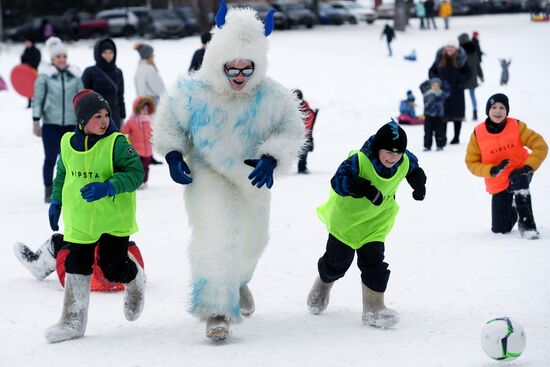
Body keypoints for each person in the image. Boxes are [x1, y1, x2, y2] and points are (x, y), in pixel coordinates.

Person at [153, 3, 304, 341]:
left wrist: (271, 157)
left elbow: (292, 130)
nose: (238, 76)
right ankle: (217, 311)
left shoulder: (273, 96)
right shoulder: (193, 93)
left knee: (254, 239)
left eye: (246, 69)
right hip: (208, 174)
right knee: (218, 237)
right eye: (231, 68)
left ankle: (237, 283)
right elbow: (169, 122)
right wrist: (175, 154)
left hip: (252, 177)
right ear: (217, 62)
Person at [44, 89, 145, 343]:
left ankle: (134, 277)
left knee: (112, 269)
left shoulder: (117, 143)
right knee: (76, 265)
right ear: (82, 120)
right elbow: (62, 173)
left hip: (113, 218)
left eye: (106, 115)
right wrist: (56, 200)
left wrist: (108, 186)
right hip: (80, 219)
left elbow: (135, 174)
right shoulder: (67, 142)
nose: (104, 121)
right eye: (96, 116)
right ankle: (72, 322)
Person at [307, 120, 427, 328]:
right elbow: (338, 181)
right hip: (347, 223)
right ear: (378, 148)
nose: (393, 157)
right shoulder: (359, 161)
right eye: (388, 152)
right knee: (337, 264)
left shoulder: (404, 159)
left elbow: (414, 169)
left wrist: (418, 183)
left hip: (376, 224)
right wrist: (363, 188)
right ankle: (323, 284)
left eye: (398, 153)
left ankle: (374, 308)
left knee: (374, 264)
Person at [465, 93, 547, 240]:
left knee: (518, 178)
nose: (498, 111)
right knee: (499, 229)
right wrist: (491, 170)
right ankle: (514, 208)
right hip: (499, 181)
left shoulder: (516, 126)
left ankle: (528, 226)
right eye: (494, 107)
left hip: (520, 173)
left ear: (507, 111)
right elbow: (471, 163)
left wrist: (528, 167)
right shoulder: (478, 134)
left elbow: (541, 146)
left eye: (502, 107)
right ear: (488, 110)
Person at [32, 37, 83, 203]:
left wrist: (84, 120)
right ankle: (48, 189)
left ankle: (65, 188)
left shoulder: (74, 76)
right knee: (50, 158)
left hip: (70, 123)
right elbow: (38, 98)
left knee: (68, 159)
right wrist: (36, 120)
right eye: (58, 57)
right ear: (52, 59)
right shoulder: (45, 76)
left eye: (64, 56)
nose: (61, 59)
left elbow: (81, 98)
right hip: (51, 124)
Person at [13, 233, 144, 292]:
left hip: (77, 278)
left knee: (58, 241)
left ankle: (38, 266)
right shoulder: (129, 247)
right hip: (124, 277)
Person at [428, 39, 471, 145]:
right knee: (444, 116)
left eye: (452, 47)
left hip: (457, 91)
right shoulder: (440, 58)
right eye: (448, 46)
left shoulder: (460, 58)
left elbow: (469, 73)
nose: (450, 49)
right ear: (445, 48)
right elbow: (431, 71)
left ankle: (456, 137)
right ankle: (444, 137)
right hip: (443, 92)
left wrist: (461, 80)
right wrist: (436, 81)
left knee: (457, 115)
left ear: (455, 48)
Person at [82, 38, 126, 130]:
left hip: (114, 118)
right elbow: (83, 97)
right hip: (95, 118)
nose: (108, 55)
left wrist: (122, 116)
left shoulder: (118, 72)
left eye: (110, 52)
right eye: (105, 52)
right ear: (98, 54)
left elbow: (120, 96)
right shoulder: (90, 72)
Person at [121, 96, 156, 188]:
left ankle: (144, 181)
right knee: (137, 167)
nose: (145, 111)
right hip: (136, 150)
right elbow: (123, 132)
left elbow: (152, 133)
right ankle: (137, 181)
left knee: (146, 167)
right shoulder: (132, 121)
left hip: (147, 150)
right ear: (137, 109)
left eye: (147, 109)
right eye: (142, 109)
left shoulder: (148, 121)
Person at [458, 33, 484, 121]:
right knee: (472, 96)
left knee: (462, 97)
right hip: (473, 77)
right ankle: (475, 113)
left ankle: (463, 115)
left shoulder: (460, 51)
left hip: (463, 77)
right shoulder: (474, 50)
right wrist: (481, 75)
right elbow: (477, 64)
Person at [421, 77, 450, 151]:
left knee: (439, 131)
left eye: (437, 85)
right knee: (428, 132)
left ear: (440, 86)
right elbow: (421, 87)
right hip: (428, 116)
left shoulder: (442, 94)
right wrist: (427, 81)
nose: (435, 87)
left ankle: (440, 145)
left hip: (438, 116)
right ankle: (427, 146)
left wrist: (446, 84)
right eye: (434, 85)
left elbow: (448, 93)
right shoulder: (427, 93)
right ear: (431, 86)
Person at [293, 89, 318, 174]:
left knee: (304, 147)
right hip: (292, 135)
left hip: (303, 136)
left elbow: (307, 126)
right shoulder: (289, 108)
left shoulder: (307, 111)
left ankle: (302, 167)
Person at [20, 37, 41, 108]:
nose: (27, 44)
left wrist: (30, 65)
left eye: (28, 42)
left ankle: (35, 102)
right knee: (28, 87)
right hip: (26, 72)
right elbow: (22, 61)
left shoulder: (36, 51)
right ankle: (29, 102)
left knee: (35, 87)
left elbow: (37, 61)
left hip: (34, 71)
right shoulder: (25, 51)